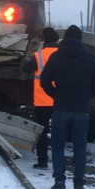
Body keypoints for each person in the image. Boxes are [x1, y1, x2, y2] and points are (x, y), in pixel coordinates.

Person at [40, 25, 95, 189]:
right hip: (81, 109)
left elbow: (44, 81)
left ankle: (60, 181)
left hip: (61, 108)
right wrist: (88, 96)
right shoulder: (91, 58)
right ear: (80, 39)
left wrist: (56, 95)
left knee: (57, 146)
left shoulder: (56, 57)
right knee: (79, 147)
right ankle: (79, 184)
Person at [22, 27, 59, 169]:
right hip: (60, 99)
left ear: (44, 41)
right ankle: (58, 161)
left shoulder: (39, 56)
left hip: (42, 100)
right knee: (59, 131)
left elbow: (26, 69)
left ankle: (42, 161)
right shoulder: (62, 54)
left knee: (41, 132)